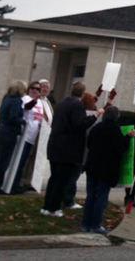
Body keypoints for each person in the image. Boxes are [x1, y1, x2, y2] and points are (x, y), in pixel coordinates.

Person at [40, 81, 99, 217]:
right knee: (62, 181)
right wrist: (94, 116)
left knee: (54, 179)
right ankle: (54, 209)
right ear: (83, 94)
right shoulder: (77, 105)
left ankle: (46, 206)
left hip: (55, 146)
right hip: (67, 150)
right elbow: (79, 124)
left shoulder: (61, 103)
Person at [81, 105, 135, 234]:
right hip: (107, 170)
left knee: (91, 196)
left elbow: (89, 144)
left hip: (92, 166)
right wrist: (127, 137)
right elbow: (121, 149)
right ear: (116, 117)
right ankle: (95, 224)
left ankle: (85, 224)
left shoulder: (96, 129)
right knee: (101, 197)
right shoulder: (115, 131)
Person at [0, 80, 30, 194]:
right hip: (9, 133)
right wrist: (23, 121)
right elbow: (13, 118)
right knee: (3, 162)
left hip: (1, 131)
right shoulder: (16, 102)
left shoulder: (6, 99)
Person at [8, 81, 45, 194]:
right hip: (24, 136)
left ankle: (19, 183)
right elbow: (27, 107)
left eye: (38, 89)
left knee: (24, 163)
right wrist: (34, 100)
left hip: (33, 138)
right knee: (18, 161)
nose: (35, 90)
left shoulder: (40, 103)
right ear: (29, 89)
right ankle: (12, 185)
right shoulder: (25, 99)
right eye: (33, 88)